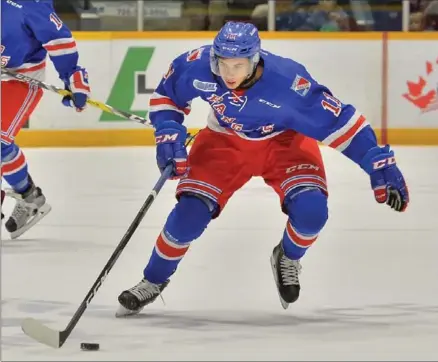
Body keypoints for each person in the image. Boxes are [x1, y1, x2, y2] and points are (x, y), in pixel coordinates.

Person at [116, 21, 409, 316]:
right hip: (224, 142)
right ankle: (152, 281)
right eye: (223, 64)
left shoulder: (290, 82)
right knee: (188, 216)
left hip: (284, 144)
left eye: (238, 66)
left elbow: (341, 121)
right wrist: (167, 129)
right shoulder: (197, 64)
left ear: (255, 60)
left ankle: (288, 256)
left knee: (312, 213)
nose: (228, 74)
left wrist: (373, 158)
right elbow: (168, 95)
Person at [1, 0, 90, 238]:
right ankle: (30, 197)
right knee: (3, 146)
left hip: (18, 79)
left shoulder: (30, 5)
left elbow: (59, 40)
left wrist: (72, 76)